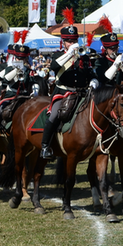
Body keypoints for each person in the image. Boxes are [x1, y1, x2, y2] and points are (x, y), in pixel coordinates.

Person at [41, 9, 93, 159]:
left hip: (82, 92)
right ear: (63, 42)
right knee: (54, 116)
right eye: (69, 41)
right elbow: (54, 67)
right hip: (63, 93)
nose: (72, 43)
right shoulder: (58, 55)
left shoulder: (83, 56)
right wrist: (70, 53)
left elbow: (89, 72)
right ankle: (45, 146)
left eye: (74, 40)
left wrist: (93, 79)